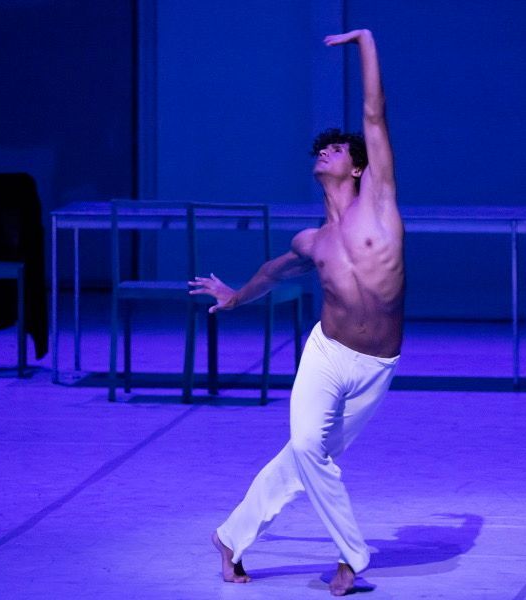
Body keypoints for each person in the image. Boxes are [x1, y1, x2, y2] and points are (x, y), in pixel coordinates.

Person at [189, 29, 403, 597]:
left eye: (337, 150)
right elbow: (273, 271)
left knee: (308, 458)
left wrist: (365, 42)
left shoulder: (379, 206)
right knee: (309, 448)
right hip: (327, 354)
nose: (325, 153)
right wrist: (236, 296)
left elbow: (374, 116)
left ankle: (231, 538)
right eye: (321, 150)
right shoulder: (312, 241)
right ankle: (351, 559)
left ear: (359, 169)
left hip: (379, 365)